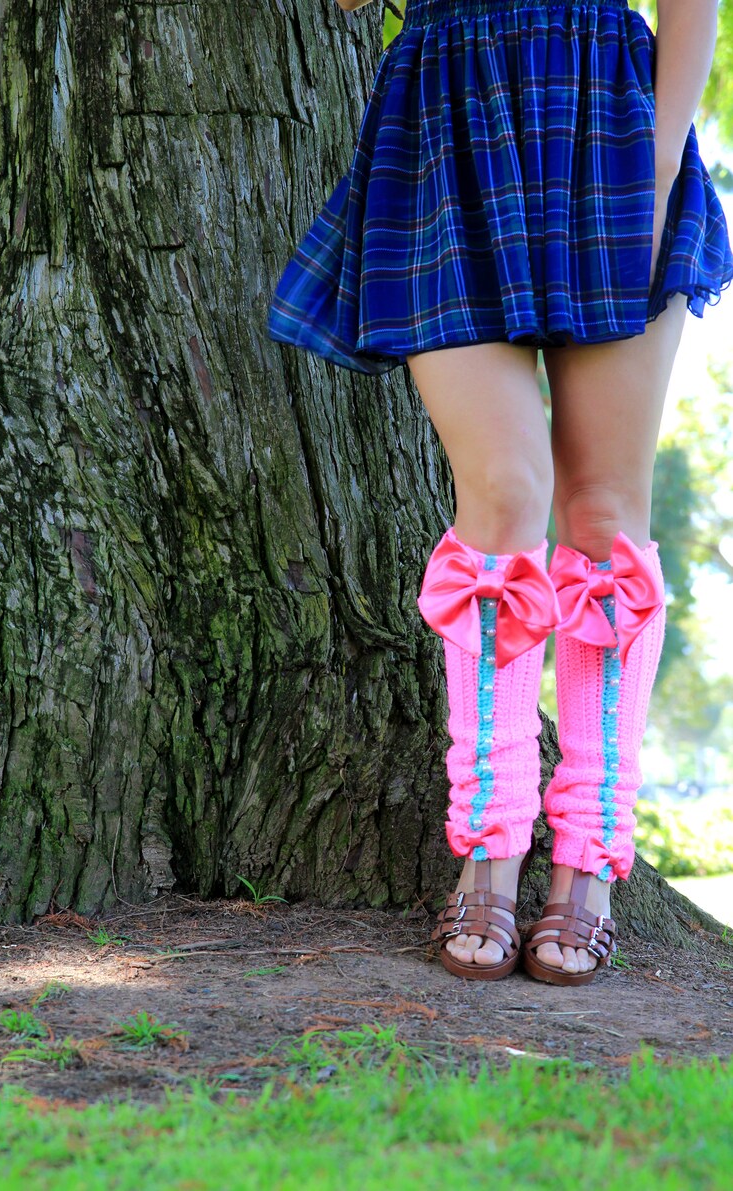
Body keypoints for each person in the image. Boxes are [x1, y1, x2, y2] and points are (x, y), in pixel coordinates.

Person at [266, 0, 732, 985]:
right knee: (505, 492)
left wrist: (650, 161)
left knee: (601, 515)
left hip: (604, 112)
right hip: (448, 116)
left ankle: (587, 863)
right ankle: (488, 848)